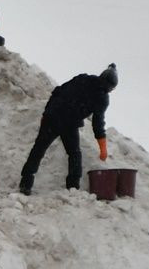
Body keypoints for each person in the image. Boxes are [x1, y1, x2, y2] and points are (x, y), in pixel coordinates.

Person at [19, 64, 118, 195]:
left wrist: (46, 113)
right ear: (110, 87)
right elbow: (98, 123)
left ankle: (25, 183)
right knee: (74, 154)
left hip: (54, 118)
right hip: (67, 123)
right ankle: (73, 188)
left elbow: (58, 91)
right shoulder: (102, 98)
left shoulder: (83, 79)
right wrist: (103, 147)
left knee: (39, 149)